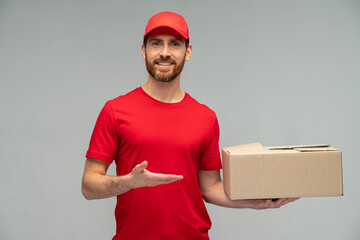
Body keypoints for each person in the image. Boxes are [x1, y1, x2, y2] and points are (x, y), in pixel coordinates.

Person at [81, 11, 297, 240]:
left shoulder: (206, 117)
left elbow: (211, 187)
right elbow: (88, 186)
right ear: (143, 51)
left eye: (174, 44)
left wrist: (255, 202)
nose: (165, 53)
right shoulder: (115, 111)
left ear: (188, 51)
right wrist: (128, 182)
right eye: (156, 44)